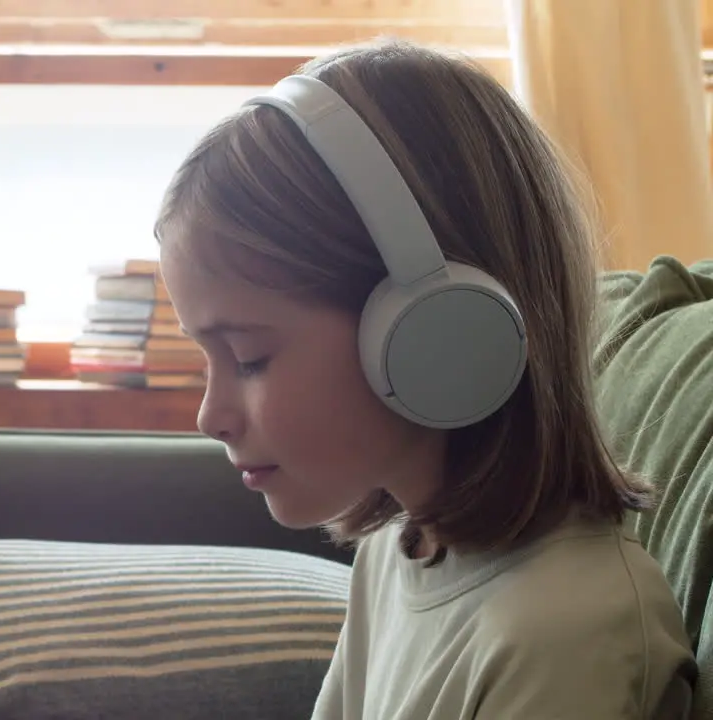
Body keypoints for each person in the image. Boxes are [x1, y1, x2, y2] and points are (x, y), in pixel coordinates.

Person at [154, 39, 698, 719]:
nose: (211, 416)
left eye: (249, 358)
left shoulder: (567, 631)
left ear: (429, 328)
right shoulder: (398, 549)